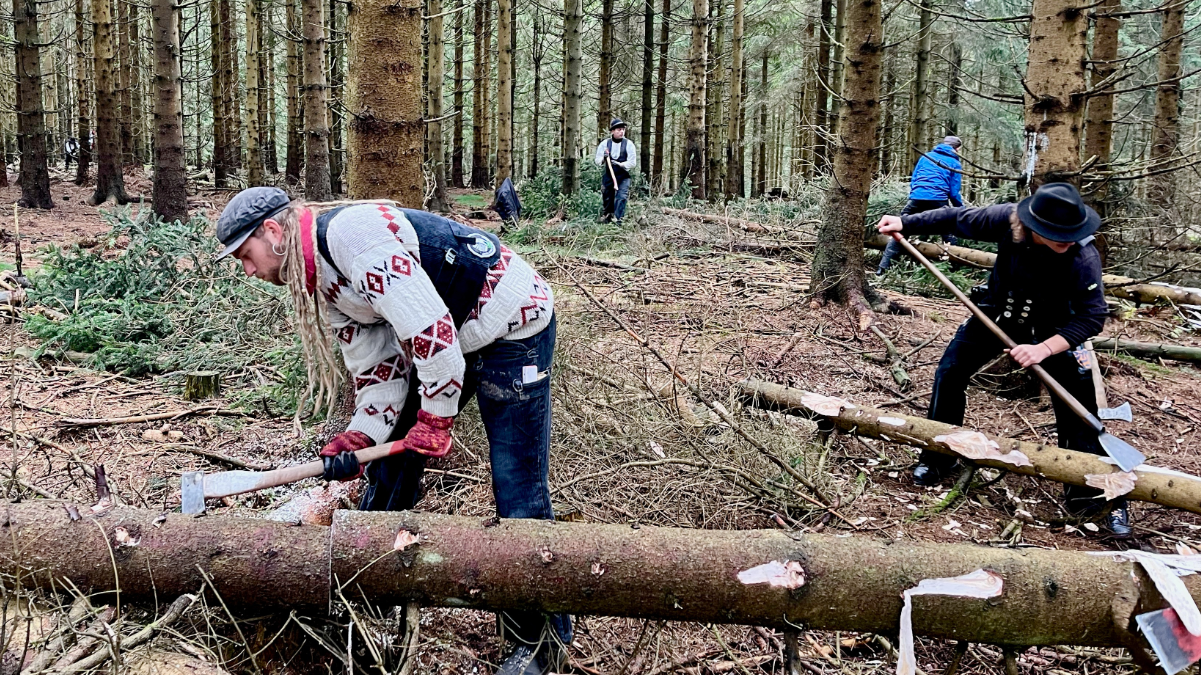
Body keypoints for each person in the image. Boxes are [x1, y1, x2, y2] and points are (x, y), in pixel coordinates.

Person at [215, 188, 569, 674]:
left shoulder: (354, 238)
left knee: (517, 488)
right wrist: (361, 436)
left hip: (511, 326)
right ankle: (369, 596)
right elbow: (378, 367)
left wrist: (435, 419)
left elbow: (432, 334)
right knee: (390, 469)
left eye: (246, 256)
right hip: (452, 336)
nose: (249, 271)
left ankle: (542, 644)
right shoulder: (319, 278)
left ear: (272, 233)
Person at [875, 182, 1129, 538]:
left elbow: (1091, 318)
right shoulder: (1005, 221)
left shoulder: (1082, 258)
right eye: (1057, 234)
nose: (1066, 240)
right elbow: (955, 216)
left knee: (1077, 408)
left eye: (1071, 233)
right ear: (1034, 226)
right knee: (950, 373)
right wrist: (905, 223)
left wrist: (1043, 349)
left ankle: (1087, 494)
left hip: (1056, 329)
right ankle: (937, 457)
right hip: (996, 314)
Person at [877, 136, 964, 275]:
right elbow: (954, 193)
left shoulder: (926, 157)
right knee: (949, 230)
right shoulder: (954, 163)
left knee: (901, 229)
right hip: (938, 200)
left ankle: (882, 269)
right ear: (957, 149)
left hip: (916, 198)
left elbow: (914, 180)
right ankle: (953, 272)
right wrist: (961, 210)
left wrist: (916, 195)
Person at [593, 118, 637, 225]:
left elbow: (632, 162)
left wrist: (621, 164)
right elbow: (597, 160)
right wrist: (604, 158)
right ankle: (607, 217)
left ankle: (618, 220)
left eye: (623, 129)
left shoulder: (629, 144)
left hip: (623, 176)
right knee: (607, 197)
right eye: (618, 129)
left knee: (621, 197)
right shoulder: (605, 144)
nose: (621, 131)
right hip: (609, 175)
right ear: (612, 131)